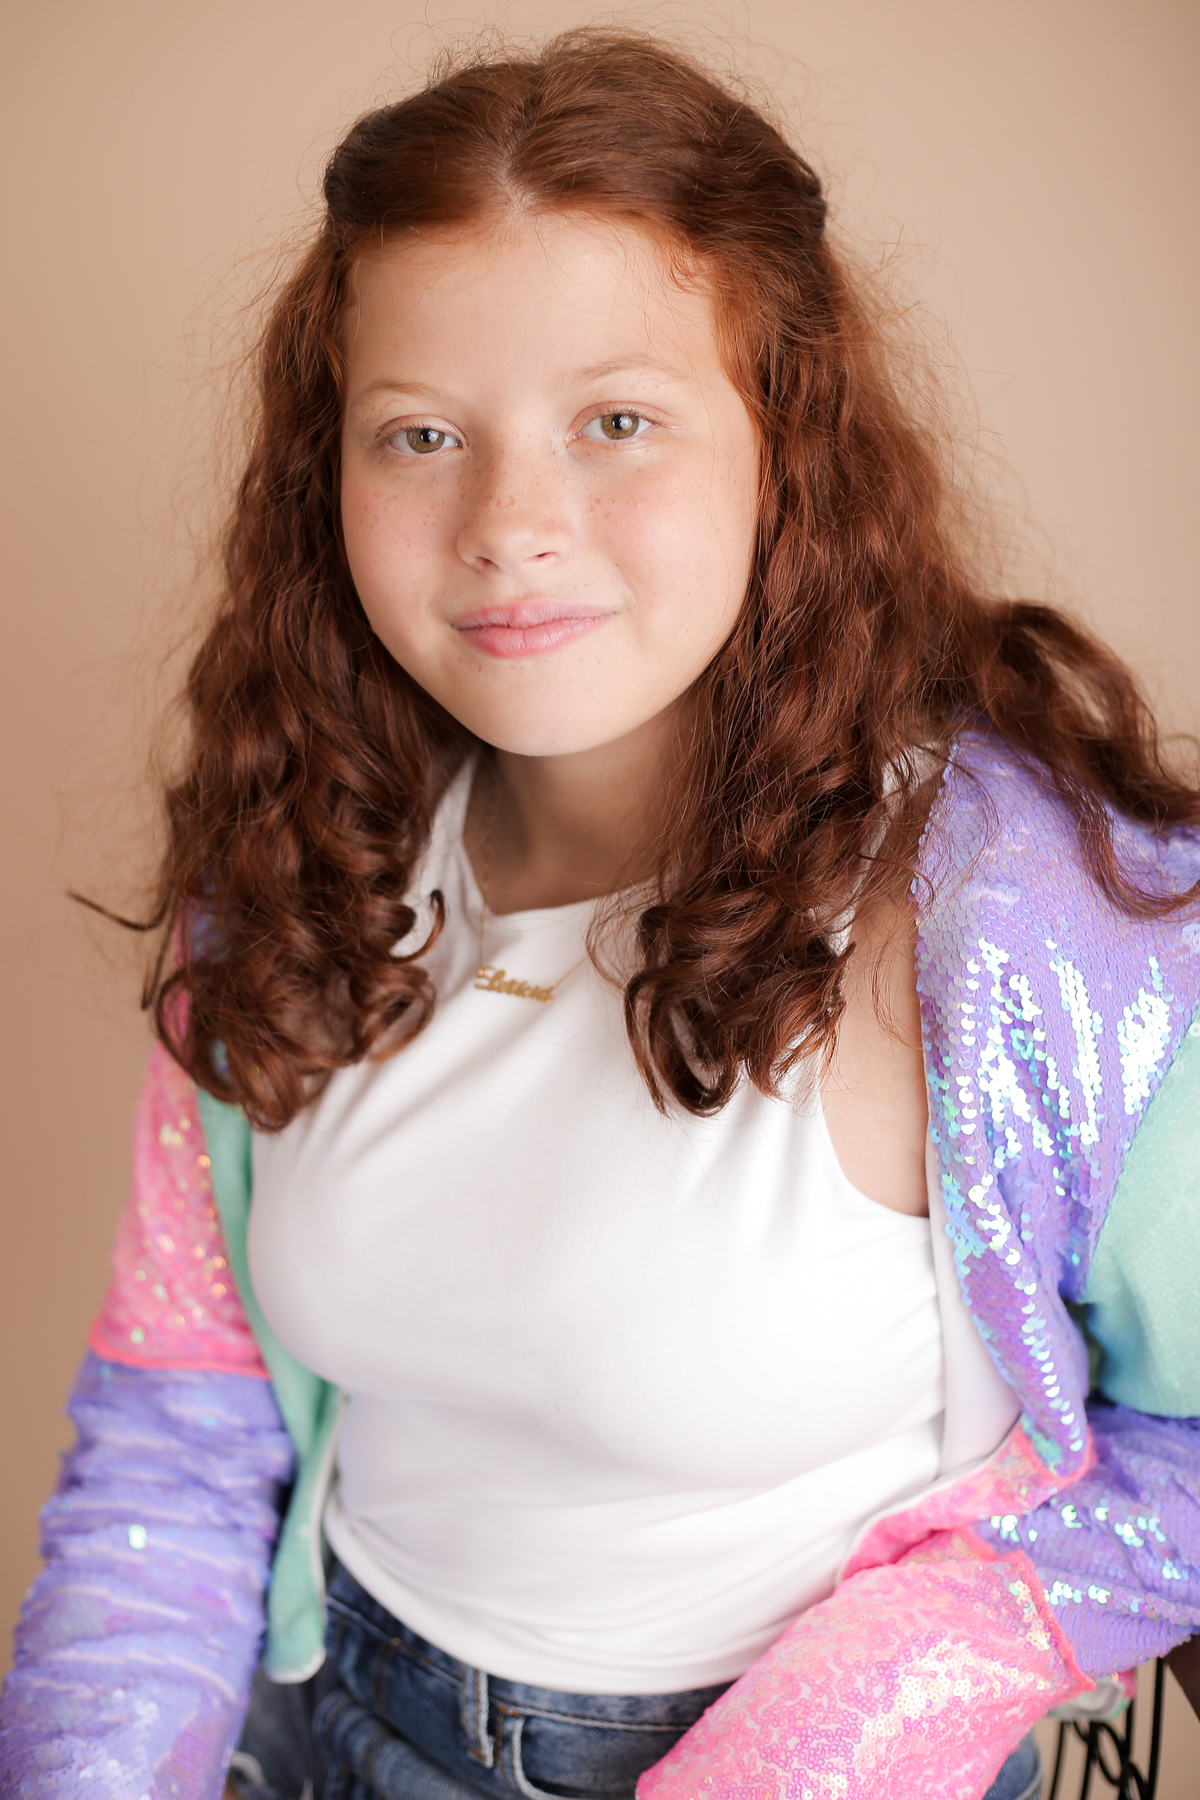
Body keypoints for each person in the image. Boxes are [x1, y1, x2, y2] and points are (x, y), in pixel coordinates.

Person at [2, 30, 1199, 1800]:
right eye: (421, 435)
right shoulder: (297, 863)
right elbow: (178, 1427)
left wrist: (819, 1739)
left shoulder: (1018, 916)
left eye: (617, 422)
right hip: (334, 1724)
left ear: (786, 443)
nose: (510, 525)